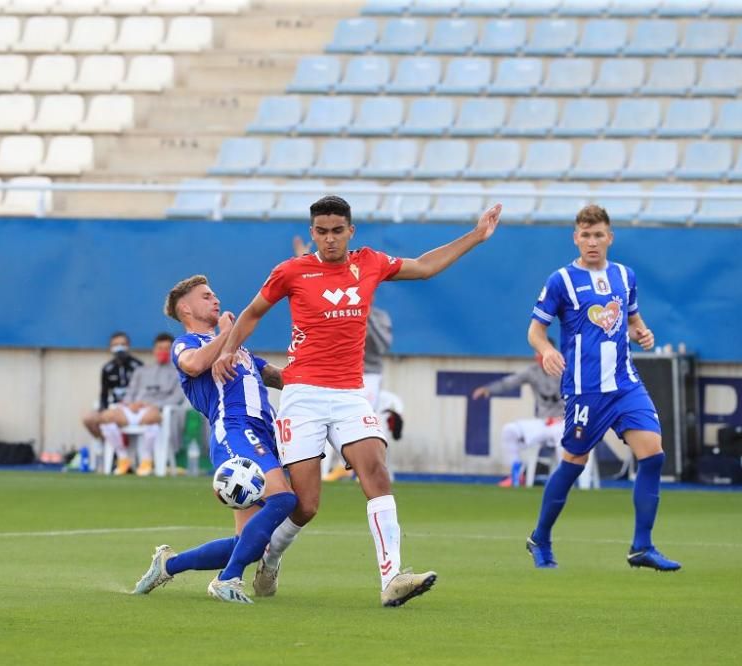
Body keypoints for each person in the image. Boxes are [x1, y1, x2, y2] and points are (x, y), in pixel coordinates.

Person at [213, 195, 502, 607]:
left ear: (351, 231)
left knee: (377, 472)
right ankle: (271, 558)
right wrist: (228, 350)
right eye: (322, 232)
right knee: (306, 504)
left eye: (337, 231)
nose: (329, 239)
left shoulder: (370, 263)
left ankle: (392, 578)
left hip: (351, 394)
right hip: (303, 397)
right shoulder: (292, 271)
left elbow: (424, 266)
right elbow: (254, 311)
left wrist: (475, 235)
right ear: (312, 233)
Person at [525, 205, 680, 572]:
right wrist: (546, 350)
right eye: (585, 235)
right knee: (573, 463)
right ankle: (540, 538)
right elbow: (536, 329)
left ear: (609, 238)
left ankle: (642, 546)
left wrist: (641, 331)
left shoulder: (625, 276)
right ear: (575, 238)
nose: (591, 242)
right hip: (585, 390)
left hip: (625, 384)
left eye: (598, 235)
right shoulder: (561, 280)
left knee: (653, 454)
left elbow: (631, 317)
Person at [132, 275, 295, 603]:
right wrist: (225, 334)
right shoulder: (187, 344)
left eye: (214, 295)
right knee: (284, 500)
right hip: (234, 429)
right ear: (186, 308)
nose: (216, 300)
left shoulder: (235, 347)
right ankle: (228, 579)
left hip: (264, 432)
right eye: (206, 296)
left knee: (248, 543)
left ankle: (169, 565)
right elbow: (193, 366)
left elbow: (278, 377)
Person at [294, 236, 394, 482]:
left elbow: (382, 345)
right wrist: (300, 260)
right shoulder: (331, 303)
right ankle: (324, 471)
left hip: (366, 374)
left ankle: (364, 471)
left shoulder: (378, 317)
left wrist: (363, 314)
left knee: (365, 420)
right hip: (331, 374)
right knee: (322, 422)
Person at [471, 340, 564, 488]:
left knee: (563, 437)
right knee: (510, 430)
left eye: (540, 353)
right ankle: (517, 474)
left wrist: (566, 416)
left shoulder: (567, 371)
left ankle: (563, 480)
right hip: (543, 422)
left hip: (564, 422)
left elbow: (581, 396)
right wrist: (488, 389)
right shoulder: (533, 372)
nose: (537, 356)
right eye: (536, 353)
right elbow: (510, 382)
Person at [97, 332, 183, 476]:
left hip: (155, 411)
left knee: (151, 418)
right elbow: (130, 392)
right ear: (154, 350)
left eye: (167, 348)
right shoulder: (142, 370)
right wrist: (130, 404)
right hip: (134, 409)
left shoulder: (179, 373)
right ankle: (123, 459)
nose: (163, 352)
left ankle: (146, 460)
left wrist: (155, 405)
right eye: (159, 348)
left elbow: (177, 398)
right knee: (106, 416)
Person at [81, 331, 143, 441]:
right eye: (115, 345)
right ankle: (105, 442)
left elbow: (143, 391)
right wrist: (102, 409)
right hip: (112, 407)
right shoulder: (107, 368)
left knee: (110, 418)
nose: (119, 348)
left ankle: (119, 449)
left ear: (128, 346)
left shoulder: (138, 366)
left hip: (131, 409)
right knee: (88, 419)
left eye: (122, 344)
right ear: (110, 347)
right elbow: (104, 394)